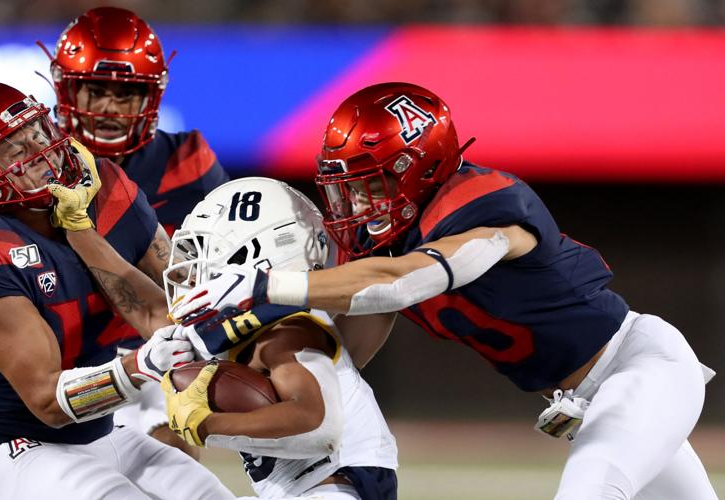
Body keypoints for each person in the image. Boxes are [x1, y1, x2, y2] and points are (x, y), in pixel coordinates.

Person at [172, 82, 718, 499]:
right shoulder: (385, 248)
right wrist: (256, 356)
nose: (357, 206)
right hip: (586, 400)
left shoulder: (488, 206)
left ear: (417, 167)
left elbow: (398, 283)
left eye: (369, 185)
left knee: (591, 486)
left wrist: (265, 284)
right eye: (347, 189)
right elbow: (349, 355)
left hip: (639, 367)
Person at [0, 81, 234, 500]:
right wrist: (142, 365)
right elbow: (47, 402)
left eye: (37, 134)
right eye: (14, 151)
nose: (42, 153)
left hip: (105, 433)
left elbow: (163, 317)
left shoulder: (106, 187)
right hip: (16, 451)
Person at [52, 175, 398, 499]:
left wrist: (205, 423)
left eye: (204, 252)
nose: (191, 268)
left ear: (255, 254)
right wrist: (80, 231)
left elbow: (319, 428)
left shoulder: (287, 328)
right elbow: (146, 309)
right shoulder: (248, 323)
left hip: (334, 488)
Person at [42, 6, 231, 446]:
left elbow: (217, 274)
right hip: (59, 357)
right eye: (95, 90)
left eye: (125, 93)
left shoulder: (187, 163)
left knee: (175, 436)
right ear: (67, 88)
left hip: (152, 350)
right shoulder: (33, 164)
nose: (110, 107)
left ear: (151, 97)